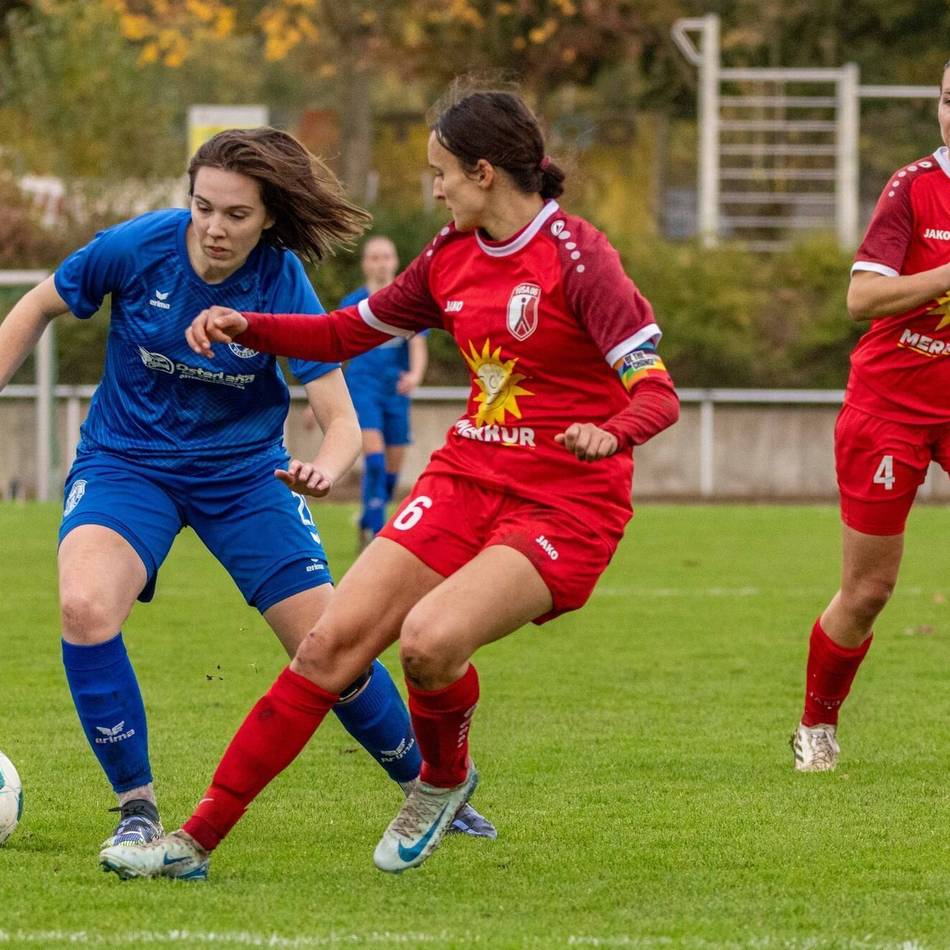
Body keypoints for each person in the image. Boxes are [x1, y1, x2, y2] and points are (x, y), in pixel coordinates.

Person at [99, 86, 679, 882]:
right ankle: (192, 841)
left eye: (440, 172)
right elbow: (346, 331)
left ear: (483, 172)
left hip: (567, 502)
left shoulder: (582, 259)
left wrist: (612, 430)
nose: (434, 189)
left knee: (431, 641)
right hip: (467, 476)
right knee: (329, 643)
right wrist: (251, 325)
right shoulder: (451, 255)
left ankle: (441, 780)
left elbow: (657, 389)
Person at [0, 127, 492, 857]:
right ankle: (136, 807)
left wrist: (325, 464)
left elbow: (341, 420)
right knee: (84, 604)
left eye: (236, 214)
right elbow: (37, 304)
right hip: (126, 463)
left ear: (267, 217)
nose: (214, 227)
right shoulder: (135, 248)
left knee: (333, 643)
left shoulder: (279, 280)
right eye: (203, 207)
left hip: (244, 476)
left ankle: (436, 787)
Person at [791, 63, 950, 771]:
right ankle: (816, 727)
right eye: (949, 101)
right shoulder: (915, 187)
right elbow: (861, 300)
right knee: (869, 591)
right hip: (890, 407)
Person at [340, 235, 429, 548]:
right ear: (365, 264)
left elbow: (418, 344)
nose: (380, 263)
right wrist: (318, 400)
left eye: (386, 257)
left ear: (395, 262)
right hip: (363, 388)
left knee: (391, 476)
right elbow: (336, 348)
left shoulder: (407, 301)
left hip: (396, 392)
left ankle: (367, 518)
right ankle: (377, 537)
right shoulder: (353, 302)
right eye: (374, 257)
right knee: (374, 463)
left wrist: (415, 375)